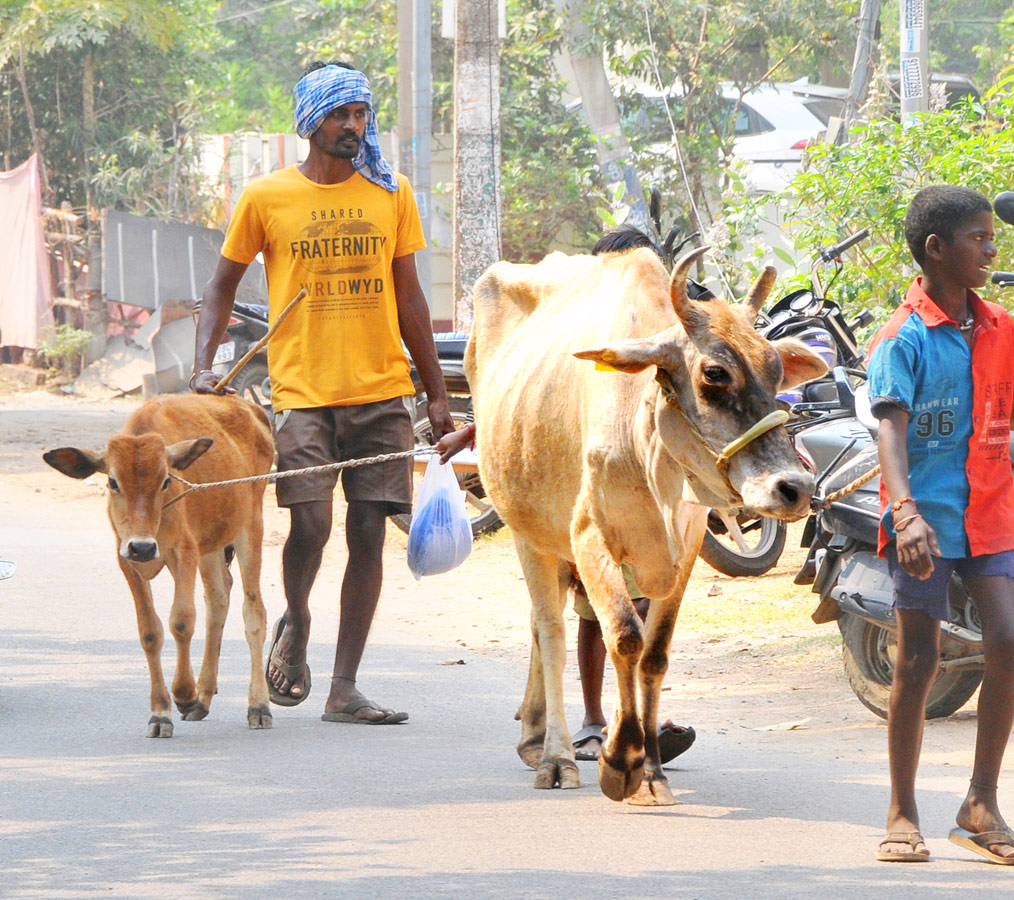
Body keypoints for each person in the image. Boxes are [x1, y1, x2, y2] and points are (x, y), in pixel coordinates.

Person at [192, 60, 453, 724]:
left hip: (382, 392)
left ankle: (344, 687)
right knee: (308, 524)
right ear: (310, 122)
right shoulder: (266, 197)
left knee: (368, 533)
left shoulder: (390, 193)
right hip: (304, 394)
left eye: (361, 114)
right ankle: (298, 620)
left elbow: (411, 298)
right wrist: (202, 367)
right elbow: (221, 287)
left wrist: (437, 393)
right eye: (340, 114)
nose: (352, 125)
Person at [434, 225, 697, 764]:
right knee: (584, 609)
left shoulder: (677, 324)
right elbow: (542, 408)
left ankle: (630, 716)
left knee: (644, 596)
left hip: (652, 479)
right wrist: (475, 428)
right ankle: (592, 718)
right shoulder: (588, 329)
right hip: (582, 482)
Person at [867, 185, 1014, 864]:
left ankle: (980, 802)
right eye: (979, 239)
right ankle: (902, 811)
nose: (991, 249)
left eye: (992, 237)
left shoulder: (992, 325)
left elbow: (1008, 414)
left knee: (1010, 641)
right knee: (919, 660)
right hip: (922, 520)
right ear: (937, 249)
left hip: (989, 511)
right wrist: (905, 514)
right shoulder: (904, 337)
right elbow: (890, 433)